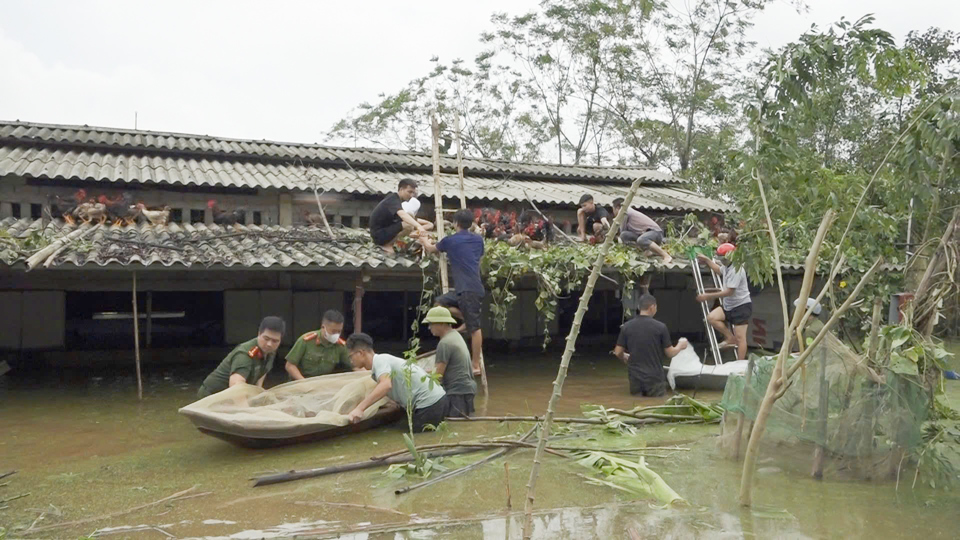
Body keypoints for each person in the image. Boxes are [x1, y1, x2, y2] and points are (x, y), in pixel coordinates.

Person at [419, 208, 485, 375]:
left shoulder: (450, 240)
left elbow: (430, 248)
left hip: (469, 289)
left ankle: (475, 364)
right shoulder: (478, 241)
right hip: (467, 288)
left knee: (475, 328)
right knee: (438, 305)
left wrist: (423, 239)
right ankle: (466, 321)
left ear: (455, 223)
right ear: (471, 224)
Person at [345, 333, 448, 432]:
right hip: (438, 401)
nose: (350, 361)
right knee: (400, 427)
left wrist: (359, 408)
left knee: (411, 435)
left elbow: (385, 385)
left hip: (430, 404)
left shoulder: (380, 361)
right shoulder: (380, 363)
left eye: (351, 356)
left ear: (360, 353)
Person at [613, 294, 689, 396]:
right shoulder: (660, 327)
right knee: (656, 406)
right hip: (654, 378)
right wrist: (680, 346)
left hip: (635, 379)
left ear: (639, 307)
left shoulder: (627, 327)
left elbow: (617, 352)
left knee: (636, 406)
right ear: (652, 307)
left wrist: (624, 356)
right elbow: (670, 353)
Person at [198, 316, 285, 398]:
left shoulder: (270, 352)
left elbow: (262, 372)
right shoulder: (245, 354)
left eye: (275, 341)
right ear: (259, 334)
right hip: (212, 396)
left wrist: (257, 394)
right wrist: (245, 410)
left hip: (232, 397)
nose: (269, 344)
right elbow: (236, 385)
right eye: (266, 338)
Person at [696, 243, 752, 360]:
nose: (723, 261)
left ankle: (739, 364)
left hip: (741, 306)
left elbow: (729, 292)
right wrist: (707, 260)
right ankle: (729, 337)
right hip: (729, 305)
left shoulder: (737, 269)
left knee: (741, 338)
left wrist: (708, 296)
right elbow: (718, 270)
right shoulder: (727, 267)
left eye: (724, 259)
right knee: (711, 318)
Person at [423, 306, 477, 417]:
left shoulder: (444, 343)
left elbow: (437, 377)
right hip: (467, 389)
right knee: (464, 423)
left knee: (454, 425)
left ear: (442, 323)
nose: (429, 328)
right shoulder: (455, 335)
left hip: (457, 392)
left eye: (431, 324)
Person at [285, 309, 353, 380]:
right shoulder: (305, 341)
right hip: (301, 381)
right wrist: (304, 382)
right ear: (323, 327)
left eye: (339, 331)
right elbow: (290, 365)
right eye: (333, 331)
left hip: (322, 384)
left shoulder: (340, 346)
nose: (336, 334)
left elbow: (354, 364)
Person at [369, 179, 427, 254]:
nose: (411, 195)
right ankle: (387, 245)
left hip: (385, 230)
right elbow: (403, 215)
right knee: (408, 224)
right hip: (379, 235)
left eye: (413, 193)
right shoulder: (392, 199)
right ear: (401, 189)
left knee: (410, 218)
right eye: (409, 192)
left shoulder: (397, 200)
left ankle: (390, 243)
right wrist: (419, 226)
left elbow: (406, 216)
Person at [611, 198, 672, 264]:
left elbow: (622, 229)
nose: (613, 212)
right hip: (645, 234)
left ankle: (666, 256)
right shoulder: (627, 212)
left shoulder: (625, 212)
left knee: (641, 239)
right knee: (624, 235)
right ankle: (648, 250)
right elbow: (623, 233)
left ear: (617, 208)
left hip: (655, 233)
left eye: (613, 210)